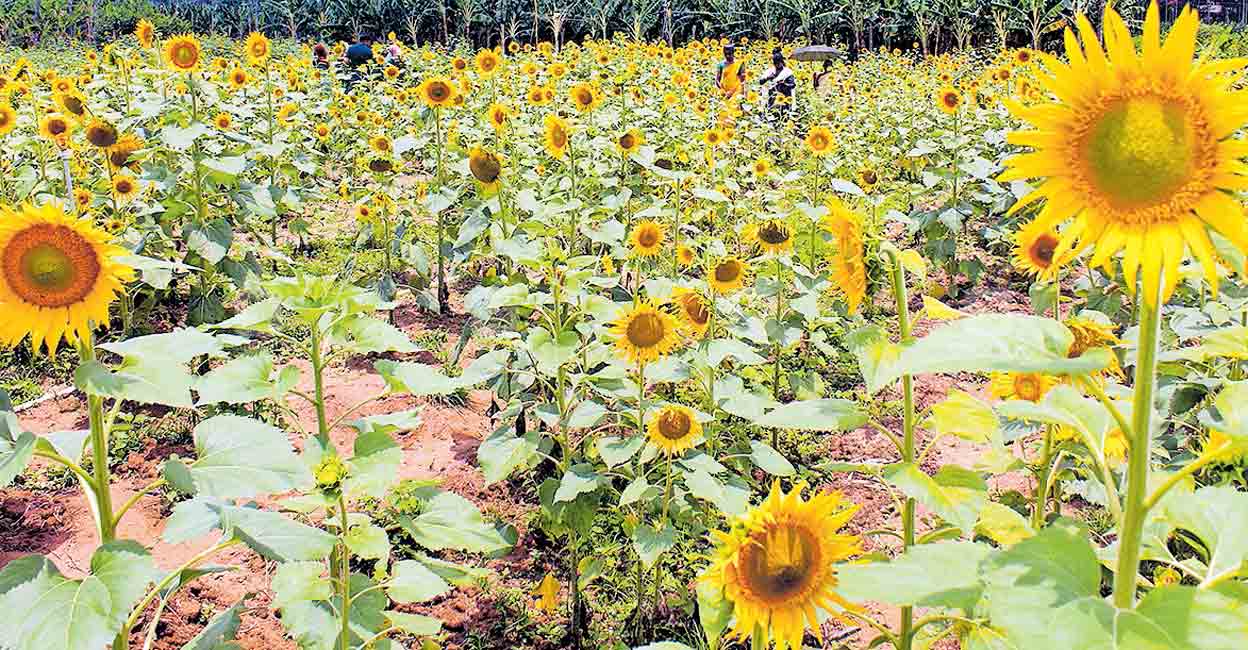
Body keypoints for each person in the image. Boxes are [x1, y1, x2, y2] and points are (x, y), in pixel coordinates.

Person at [759, 47, 796, 118]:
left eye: (779, 63)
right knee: (770, 114)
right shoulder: (770, 71)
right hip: (772, 98)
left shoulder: (787, 72)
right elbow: (761, 82)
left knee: (784, 116)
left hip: (785, 99)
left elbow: (793, 85)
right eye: (775, 63)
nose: (777, 65)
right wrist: (768, 78)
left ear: (782, 62)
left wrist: (784, 83)